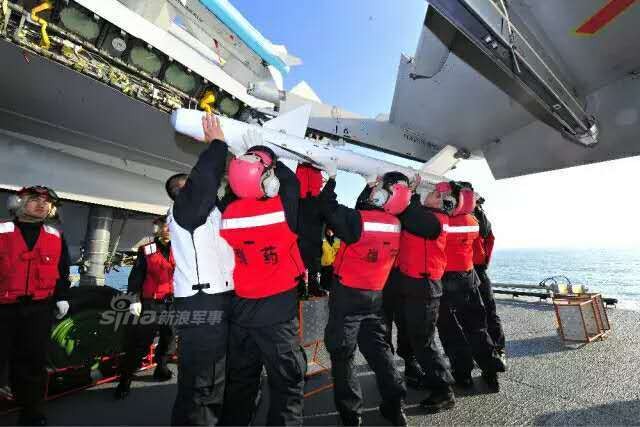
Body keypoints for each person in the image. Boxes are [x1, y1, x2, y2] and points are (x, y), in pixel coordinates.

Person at [219, 130, 307, 426]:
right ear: (267, 180)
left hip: (241, 310)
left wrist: (252, 161)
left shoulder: (228, 213)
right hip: (277, 312)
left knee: (241, 382)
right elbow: (292, 184)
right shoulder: (282, 208)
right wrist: (270, 152)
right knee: (287, 384)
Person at [317, 168, 411, 426]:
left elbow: (326, 205)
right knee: (380, 353)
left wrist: (332, 179)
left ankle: (351, 414)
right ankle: (395, 408)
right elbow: (366, 212)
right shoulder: (395, 225)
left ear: (381, 194)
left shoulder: (358, 220)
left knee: (343, 355)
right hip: (374, 296)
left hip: (347, 296)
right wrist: (372, 188)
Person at [167, 113, 236, 426]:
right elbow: (205, 180)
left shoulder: (213, 215)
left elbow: (226, 194)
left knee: (217, 376)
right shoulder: (184, 210)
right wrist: (217, 144)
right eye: (183, 186)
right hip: (201, 303)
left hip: (222, 298)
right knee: (201, 382)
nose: (189, 188)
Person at [0, 186, 71, 426]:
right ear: (18, 203)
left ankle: (31, 411)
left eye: (46, 201)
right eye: (34, 199)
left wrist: (61, 296)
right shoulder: (1, 231)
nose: (42, 204)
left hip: (39, 309)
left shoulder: (56, 236)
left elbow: (62, 271)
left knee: (33, 363)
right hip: (3, 309)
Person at [391, 179, 456, 411]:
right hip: (413, 284)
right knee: (414, 336)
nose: (433, 196)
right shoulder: (428, 215)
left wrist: (409, 191)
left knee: (424, 341)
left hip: (424, 287)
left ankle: (443, 391)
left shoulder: (432, 220)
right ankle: (421, 373)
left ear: (436, 201)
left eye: (433, 194)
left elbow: (407, 211)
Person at [437, 181, 501, 392]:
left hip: (446, 281)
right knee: (477, 327)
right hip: (469, 278)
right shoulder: (472, 221)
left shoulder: (442, 222)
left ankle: (462, 374)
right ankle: (490, 371)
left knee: (450, 330)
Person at [114, 215, 176, 399]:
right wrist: (134, 299)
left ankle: (162, 368)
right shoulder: (146, 250)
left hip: (173, 304)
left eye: (170, 225)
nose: (167, 228)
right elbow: (136, 276)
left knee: (169, 339)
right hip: (151, 304)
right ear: (156, 227)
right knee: (140, 343)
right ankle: (125, 380)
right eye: (163, 225)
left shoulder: (182, 248)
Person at [473, 195, 506, 370]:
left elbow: (486, 233)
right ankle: (492, 352)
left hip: (476, 270)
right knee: (480, 314)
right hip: (473, 270)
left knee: (489, 312)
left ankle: (498, 350)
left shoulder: (479, 218)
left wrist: (476, 209)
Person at [295, 163, 328, 298]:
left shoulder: (304, 199)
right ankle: (304, 288)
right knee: (306, 261)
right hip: (307, 233)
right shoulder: (315, 199)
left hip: (308, 234)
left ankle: (304, 289)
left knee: (308, 261)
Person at [320, 227, 340, 291]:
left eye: (331, 230)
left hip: (334, 264)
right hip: (325, 264)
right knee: (325, 277)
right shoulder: (322, 240)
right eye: (328, 230)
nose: (330, 232)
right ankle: (324, 287)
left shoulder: (337, 240)